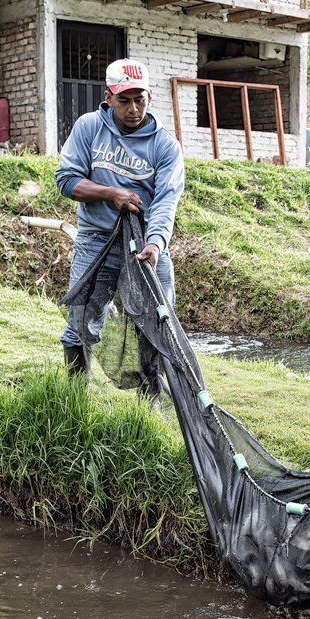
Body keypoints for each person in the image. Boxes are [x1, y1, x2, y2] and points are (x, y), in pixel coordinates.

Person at [56, 58, 185, 392]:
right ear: (108, 97)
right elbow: (67, 180)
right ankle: (73, 398)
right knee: (81, 322)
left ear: (150, 97)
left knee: (157, 325)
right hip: (96, 241)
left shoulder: (165, 145)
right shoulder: (89, 128)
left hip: (144, 246)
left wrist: (156, 243)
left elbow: (165, 201)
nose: (133, 109)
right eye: (124, 100)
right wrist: (109, 193)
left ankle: (150, 404)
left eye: (139, 99)